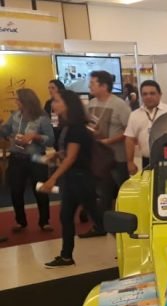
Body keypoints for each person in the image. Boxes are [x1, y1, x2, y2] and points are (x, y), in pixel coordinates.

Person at [39, 90, 103, 268]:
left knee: (98, 218)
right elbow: (69, 153)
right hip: (73, 178)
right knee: (66, 216)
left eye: (57, 101)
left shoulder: (76, 128)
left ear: (68, 104)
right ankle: (66, 256)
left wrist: (53, 178)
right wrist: (57, 154)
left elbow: (71, 157)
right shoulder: (68, 126)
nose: (53, 104)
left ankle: (131, 244)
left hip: (81, 179)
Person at [0, 88, 55, 232]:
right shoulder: (15, 115)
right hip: (17, 158)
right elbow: (5, 131)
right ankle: (21, 222)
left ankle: (44, 221)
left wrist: (35, 137)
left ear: (26, 101)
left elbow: (51, 140)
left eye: (18, 99)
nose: (16, 102)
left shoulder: (42, 117)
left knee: (40, 190)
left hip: (36, 158)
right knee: (16, 191)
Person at [85, 70, 131, 237]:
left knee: (122, 191)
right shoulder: (91, 104)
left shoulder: (119, 105)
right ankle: (102, 226)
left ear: (104, 86)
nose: (89, 86)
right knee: (103, 192)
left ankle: (126, 225)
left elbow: (129, 131)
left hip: (117, 156)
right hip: (99, 157)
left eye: (93, 83)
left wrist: (109, 141)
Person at [124, 80, 167, 175]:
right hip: (146, 160)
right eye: (145, 94)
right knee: (149, 183)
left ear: (160, 95)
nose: (148, 97)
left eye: (152, 93)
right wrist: (130, 162)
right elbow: (129, 139)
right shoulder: (134, 115)